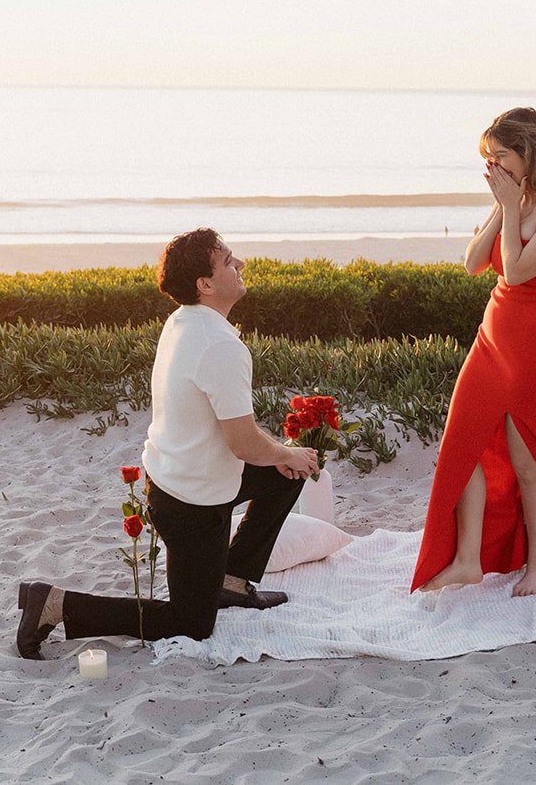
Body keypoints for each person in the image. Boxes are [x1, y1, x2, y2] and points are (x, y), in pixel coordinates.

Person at [16, 229, 321, 658]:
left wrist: (287, 457)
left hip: (176, 478)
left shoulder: (183, 321)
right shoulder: (219, 346)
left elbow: (243, 443)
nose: (241, 265)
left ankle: (230, 581)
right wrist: (288, 451)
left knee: (286, 471)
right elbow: (244, 445)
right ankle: (55, 604)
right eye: (230, 261)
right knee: (192, 625)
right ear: (205, 284)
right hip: (191, 505)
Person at [411, 107, 536, 597]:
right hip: (492, 339)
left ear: (529, 151)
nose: (492, 166)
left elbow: (517, 273)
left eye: (500, 156)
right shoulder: (514, 198)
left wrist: (513, 209)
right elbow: (474, 261)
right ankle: (467, 559)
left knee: (529, 462)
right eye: (487, 158)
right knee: (463, 445)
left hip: (535, 347)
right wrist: (502, 205)